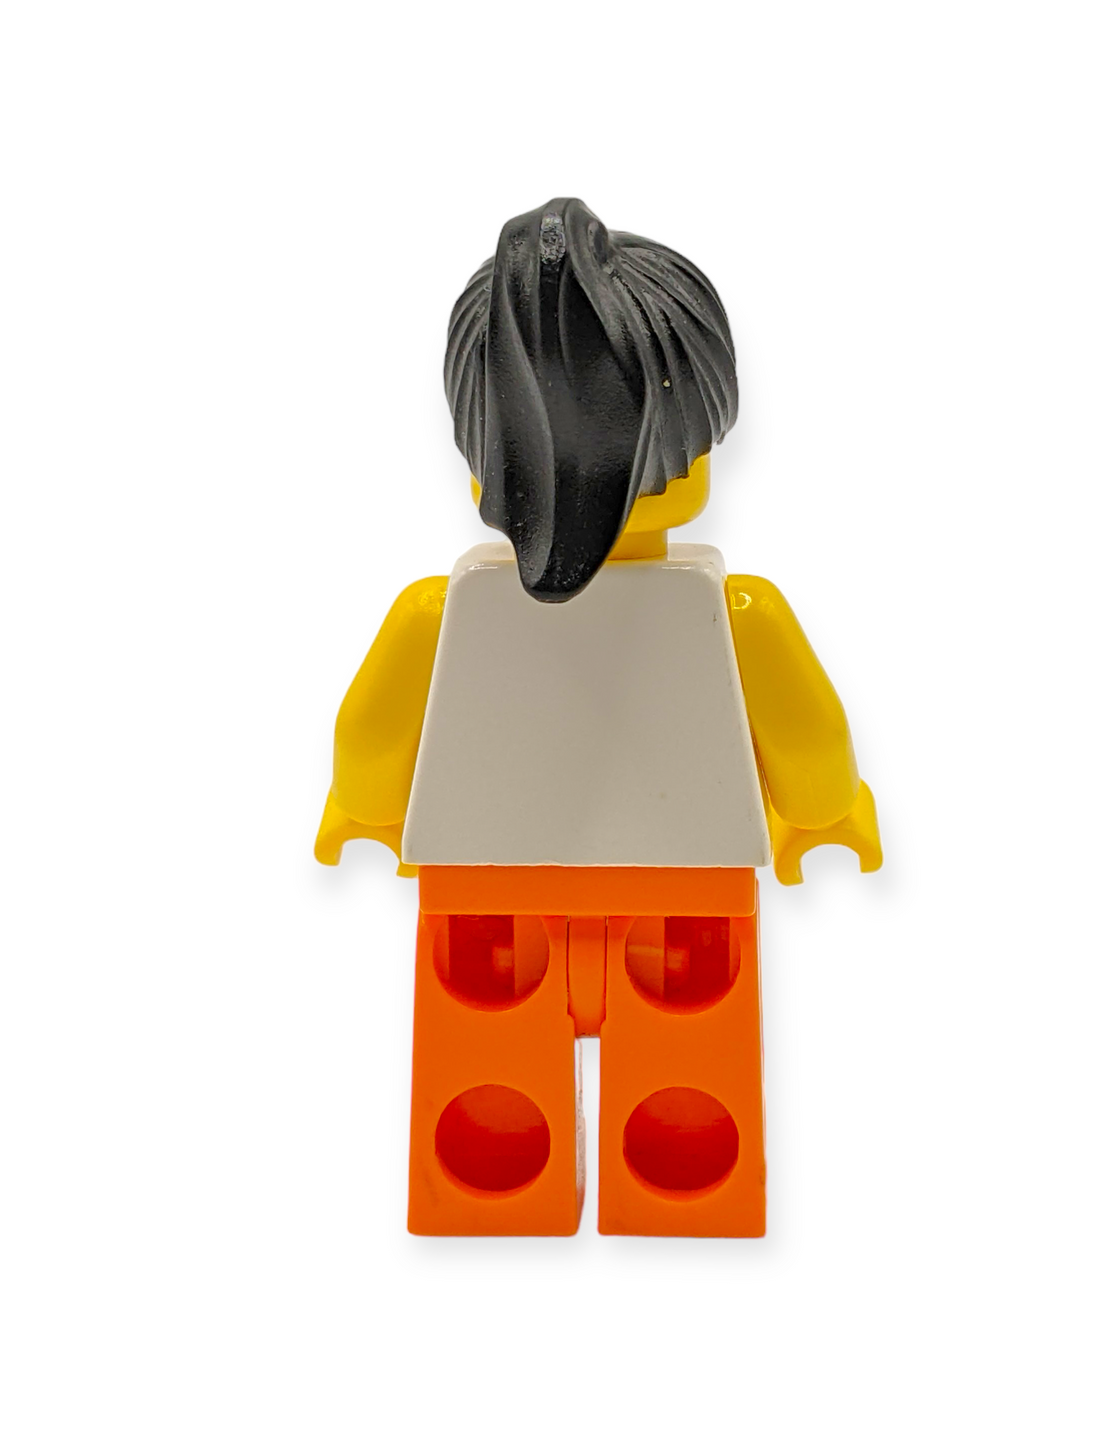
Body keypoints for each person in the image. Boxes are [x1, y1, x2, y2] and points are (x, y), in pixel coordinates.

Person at [316, 198, 881, 1236]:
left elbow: (371, 735)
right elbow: (807, 737)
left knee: (484, 1091)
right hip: (688, 899)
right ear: (694, 454)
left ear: (486, 465)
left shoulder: (443, 613)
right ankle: (681, 1189)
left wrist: (366, 808)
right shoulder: (734, 613)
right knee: (686, 1088)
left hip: (481, 898)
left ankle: (492, 1190)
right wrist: (825, 810)